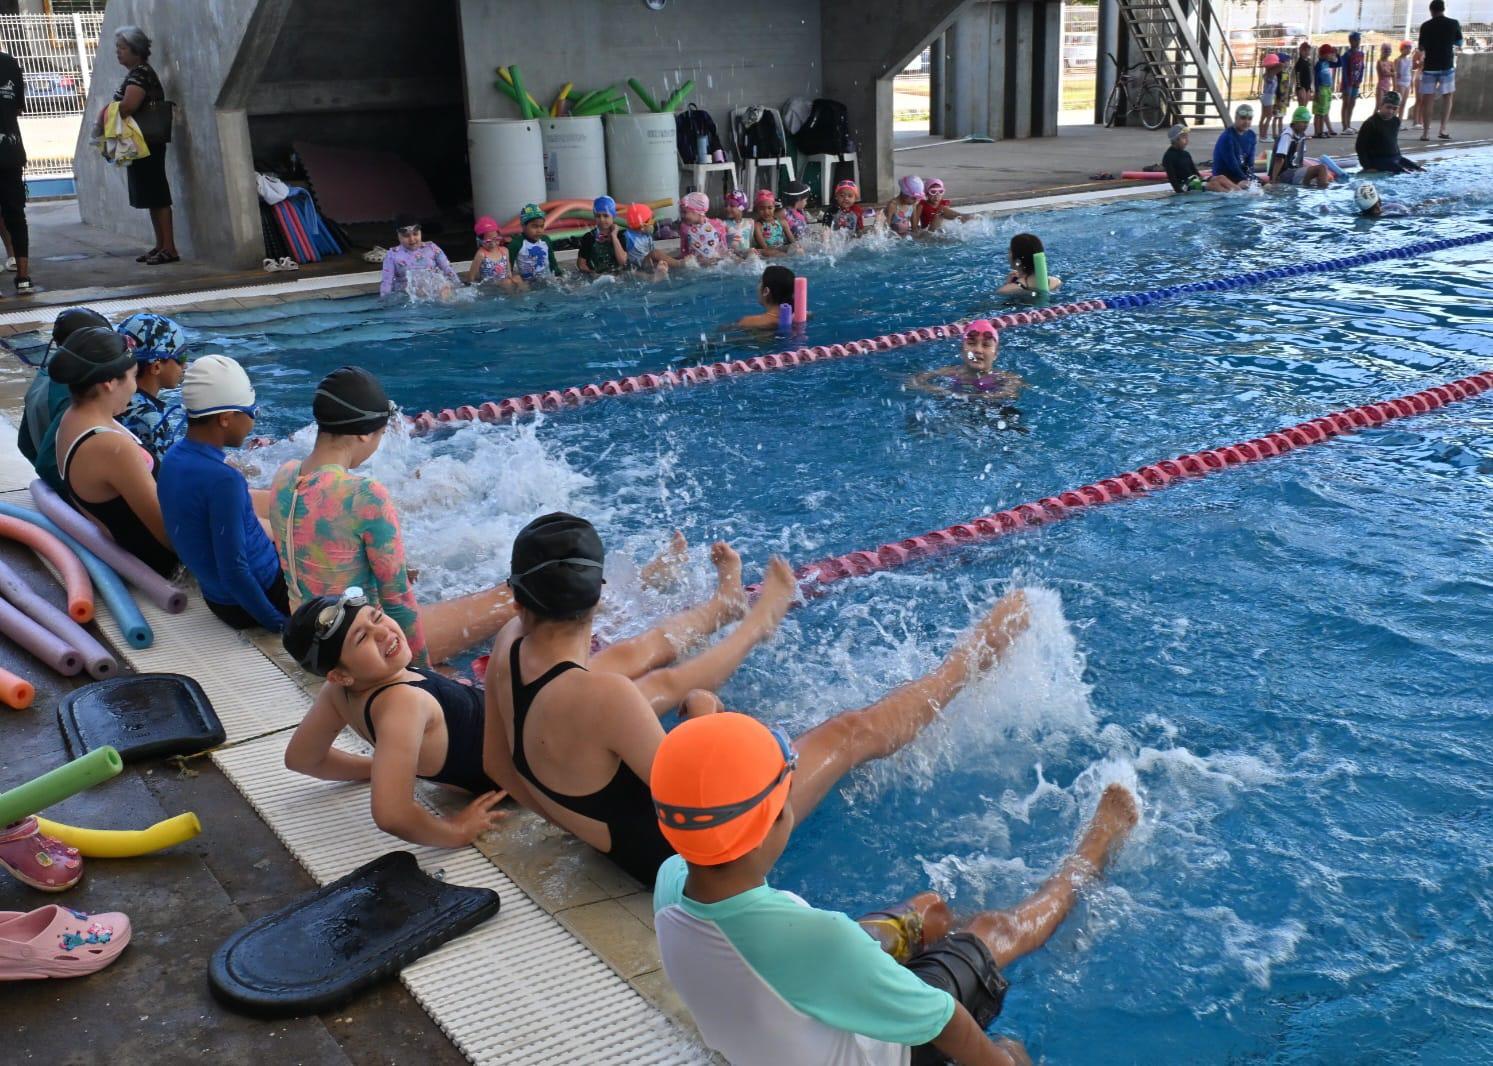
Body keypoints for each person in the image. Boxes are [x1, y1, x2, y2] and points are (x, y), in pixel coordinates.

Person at [481, 512, 1034, 887]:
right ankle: (974, 657)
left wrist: (580, 824)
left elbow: (496, 764)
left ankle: (731, 611)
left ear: (518, 596)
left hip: (612, 834)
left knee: (647, 673)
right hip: (676, 864)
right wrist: (704, 716)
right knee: (848, 733)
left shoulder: (509, 646)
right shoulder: (604, 699)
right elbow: (703, 808)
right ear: (598, 598)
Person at [650, 711, 1139, 1066]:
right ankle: (1091, 854)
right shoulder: (817, 940)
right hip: (883, 1049)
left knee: (927, 912)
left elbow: (808, 951)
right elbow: (942, 1021)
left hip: (782, 1005)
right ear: (775, 819)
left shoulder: (671, 881)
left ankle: (951, 949)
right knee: (996, 932)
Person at [268, 366, 517, 669]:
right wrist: (421, 675)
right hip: (358, 649)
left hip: (309, 638)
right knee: (509, 602)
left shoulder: (285, 476)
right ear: (363, 434)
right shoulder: (363, 494)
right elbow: (397, 601)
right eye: (381, 435)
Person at [281, 589, 507, 848]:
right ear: (340, 675)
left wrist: (381, 768)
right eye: (362, 637)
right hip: (523, 765)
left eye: (376, 618)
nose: (382, 633)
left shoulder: (338, 693)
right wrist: (455, 832)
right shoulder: (403, 704)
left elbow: (303, 759)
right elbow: (392, 815)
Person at [158, 356, 290, 631]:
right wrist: (279, 625)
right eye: (251, 412)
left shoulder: (173, 458)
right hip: (258, 598)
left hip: (217, 598)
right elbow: (235, 571)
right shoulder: (224, 480)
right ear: (226, 419)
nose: (253, 419)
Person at [51, 327, 178, 577]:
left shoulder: (72, 418)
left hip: (143, 540)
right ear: (109, 383)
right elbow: (170, 536)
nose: (134, 388)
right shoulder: (111, 448)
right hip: (166, 562)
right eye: (132, 377)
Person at [104, 26, 177, 265]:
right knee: (151, 194)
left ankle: (169, 247)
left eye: (122, 48)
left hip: (147, 142)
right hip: (141, 142)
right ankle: (161, 245)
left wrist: (105, 114)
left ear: (136, 50)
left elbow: (128, 106)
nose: (118, 52)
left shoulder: (140, 74)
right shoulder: (136, 73)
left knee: (157, 193)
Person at [19, 307, 109, 494]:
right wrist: (80, 496)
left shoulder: (42, 379)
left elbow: (25, 444)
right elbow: (46, 463)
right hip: (78, 495)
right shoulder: (73, 394)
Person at [116, 312, 187, 463]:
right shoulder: (150, 419)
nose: (185, 365)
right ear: (156, 367)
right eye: (181, 357)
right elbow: (174, 476)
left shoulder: (114, 398)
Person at [908, 320, 1023, 399]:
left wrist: (959, 396)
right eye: (971, 343)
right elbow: (915, 381)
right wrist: (936, 390)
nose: (978, 350)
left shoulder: (1003, 378)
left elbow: (1012, 392)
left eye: (986, 345)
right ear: (962, 351)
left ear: (996, 354)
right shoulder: (951, 372)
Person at [0, 43, 32, 294]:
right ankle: (23, 278)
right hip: (10, 148)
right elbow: (19, 108)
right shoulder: (10, 64)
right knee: (16, 215)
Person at [379, 215, 462, 298]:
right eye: (406, 236)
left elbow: (448, 270)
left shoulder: (431, 248)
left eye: (415, 234)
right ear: (398, 236)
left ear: (420, 233)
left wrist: (458, 287)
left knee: (445, 289)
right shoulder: (392, 255)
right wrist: (384, 301)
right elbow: (387, 282)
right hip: (408, 298)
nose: (412, 239)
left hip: (434, 294)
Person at [1417, 0, 1462, 141]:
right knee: (1447, 97)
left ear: (1431, 10)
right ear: (1444, 9)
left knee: (1428, 99)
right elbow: (1459, 42)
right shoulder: (1454, 23)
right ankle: (1443, 129)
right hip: (1447, 66)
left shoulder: (1425, 26)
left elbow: (1421, 47)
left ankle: (1425, 133)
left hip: (1430, 67)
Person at [1355, 91, 1425, 173]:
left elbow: (1393, 142)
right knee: (1405, 173)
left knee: (1421, 170)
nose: (1391, 111)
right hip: (1378, 160)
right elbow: (1360, 147)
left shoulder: (1396, 121)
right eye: (1388, 107)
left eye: (1394, 108)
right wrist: (1367, 166)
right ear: (1381, 106)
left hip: (1396, 157)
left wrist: (1399, 157)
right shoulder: (1371, 123)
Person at [1270, 106, 1334, 188]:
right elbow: (1279, 159)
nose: (1306, 125)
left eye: (1307, 122)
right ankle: (1325, 194)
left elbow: (1299, 160)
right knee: (1322, 169)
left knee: (1320, 176)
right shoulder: (1287, 135)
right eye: (1303, 122)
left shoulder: (1301, 135)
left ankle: (1320, 189)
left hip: (1293, 172)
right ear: (1295, 122)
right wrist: (1273, 180)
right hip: (1283, 174)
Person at [1162, 125, 1238, 193]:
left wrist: (1203, 180)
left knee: (1221, 177)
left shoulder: (1186, 154)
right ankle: (1232, 196)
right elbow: (1172, 178)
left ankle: (1241, 193)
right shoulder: (1168, 156)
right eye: (1184, 137)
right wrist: (1180, 192)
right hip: (1184, 185)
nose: (1187, 140)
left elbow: (1194, 171)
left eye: (1187, 137)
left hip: (1194, 180)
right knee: (1214, 185)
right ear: (1176, 139)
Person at [508, 204, 564, 281]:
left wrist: (560, 276)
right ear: (523, 226)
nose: (539, 230)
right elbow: (508, 269)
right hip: (527, 282)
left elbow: (553, 263)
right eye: (534, 226)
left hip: (546, 280)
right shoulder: (516, 243)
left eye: (541, 226)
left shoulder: (545, 240)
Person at [735, 264, 799, 330]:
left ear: (766, 291)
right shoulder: (800, 317)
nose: (758, 287)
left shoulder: (747, 322)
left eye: (760, 282)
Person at [1209, 104, 1259, 187]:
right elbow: (1232, 165)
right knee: (1248, 188)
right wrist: (1246, 180)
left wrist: (1251, 179)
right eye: (1243, 118)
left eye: (1249, 119)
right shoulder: (1227, 137)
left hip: (1240, 175)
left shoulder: (1252, 135)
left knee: (1267, 186)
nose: (1246, 122)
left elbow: (1250, 164)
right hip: (1225, 176)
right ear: (1236, 118)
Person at [997, 233, 1062, 296]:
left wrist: (1007, 284)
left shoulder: (1006, 290)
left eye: (1009, 251)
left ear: (1018, 262)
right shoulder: (1055, 282)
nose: (1007, 256)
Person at [577, 195, 625, 276]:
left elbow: (623, 262)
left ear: (613, 216)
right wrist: (593, 274)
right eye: (598, 216)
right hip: (597, 277)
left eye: (606, 216)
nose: (602, 219)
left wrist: (614, 236)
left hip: (618, 277)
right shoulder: (589, 237)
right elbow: (581, 264)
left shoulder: (621, 235)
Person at [466, 216, 518, 289]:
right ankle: (514, 298)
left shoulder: (505, 251)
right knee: (507, 282)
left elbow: (508, 270)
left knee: (517, 278)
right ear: (480, 240)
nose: (493, 244)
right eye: (488, 241)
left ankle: (525, 296)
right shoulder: (481, 254)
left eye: (496, 239)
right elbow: (471, 275)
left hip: (504, 283)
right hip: (490, 287)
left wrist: (511, 278)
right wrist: (471, 288)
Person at [622, 203, 670, 276]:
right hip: (636, 267)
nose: (652, 223)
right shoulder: (628, 236)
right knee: (655, 253)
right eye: (651, 221)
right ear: (643, 225)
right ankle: (679, 263)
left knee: (658, 260)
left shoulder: (646, 234)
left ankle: (658, 272)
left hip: (646, 264)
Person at [751, 190, 795, 257]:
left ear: (774, 207)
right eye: (762, 209)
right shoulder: (758, 225)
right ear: (757, 209)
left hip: (780, 248)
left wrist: (795, 247)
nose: (766, 212)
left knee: (797, 248)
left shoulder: (782, 222)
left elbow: (793, 241)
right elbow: (764, 247)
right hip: (766, 251)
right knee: (774, 253)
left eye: (770, 208)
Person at [1338, 32, 1367, 134]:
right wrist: (1347, 82)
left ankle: (1349, 124)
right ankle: (1344, 126)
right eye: (1356, 40)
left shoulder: (1361, 54)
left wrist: (1359, 80)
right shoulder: (1347, 55)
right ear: (1351, 41)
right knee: (1346, 103)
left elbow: (1362, 67)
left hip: (1356, 82)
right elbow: (1345, 70)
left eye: (1359, 40)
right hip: (1348, 82)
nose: (1358, 42)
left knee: (1352, 103)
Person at [1313, 44, 1340, 138]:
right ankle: (1317, 132)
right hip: (1321, 89)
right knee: (1319, 112)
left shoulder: (1327, 63)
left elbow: (1338, 64)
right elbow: (1316, 79)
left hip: (1327, 89)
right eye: (1329, 53)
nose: (1330, 55)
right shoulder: (1319, 64)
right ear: (1324, 54)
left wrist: (1337, 54)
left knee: (1323, 111)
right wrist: (1316, 91)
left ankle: (1321, 130)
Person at [1260, 53, 1283, 142]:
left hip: (1265, 96)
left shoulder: (1267, 74)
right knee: (1269, 117)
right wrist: (1274, 63)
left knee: (1263, 117)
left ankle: (1261, 136)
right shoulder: (1271, 74)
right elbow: (1281, 65)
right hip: (1269, 97)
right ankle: (1264, 136)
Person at [1395, 41, 1415, 118]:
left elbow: (1411, 72)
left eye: (1409, 48)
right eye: (1406, 48)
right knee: (1398, 103)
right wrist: (1395, 84)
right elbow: (1395, 72)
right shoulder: (1398, 60)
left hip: (1408, 82)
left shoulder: (1410, 60)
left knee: (1404, 103)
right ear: (1402, 49)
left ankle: (1400, 121)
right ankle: (1394, 120)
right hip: (1400, 82)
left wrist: (1412, 85)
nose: (1408, 50)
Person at [1293, 41, 1315, 108]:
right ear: (1301, 51)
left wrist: (1309, 89)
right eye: (1305, 51)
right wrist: (1299, 88)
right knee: (1302, 108)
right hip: (1302, 88)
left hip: (1307, 87)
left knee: (1304, 108)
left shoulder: (1307, 62)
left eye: (1308, 51)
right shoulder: (1299, 63)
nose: (1307, 52)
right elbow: (1297, 76)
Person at [1375, 43, 1395, 109]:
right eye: (1386, 50)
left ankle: (1381, 119)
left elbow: (1394, 76)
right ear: (1382, 51)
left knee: (1385, 106)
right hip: (1381, 86)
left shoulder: (1391, 63)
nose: (1387, 52)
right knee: (1379, 106)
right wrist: (1393, 73)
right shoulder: (1379, 62)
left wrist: (1395, 87)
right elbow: (1384, 73)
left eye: (1389, 50)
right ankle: (1373, 119)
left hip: (1388, 86)